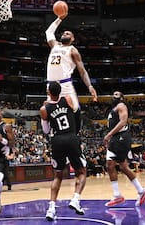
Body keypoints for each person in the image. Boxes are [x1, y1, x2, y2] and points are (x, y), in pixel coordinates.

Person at [40, 81, 87, 221]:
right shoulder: (67, 99)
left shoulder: (44, 109)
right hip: (71, 138)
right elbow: (76, 113)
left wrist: (47, 108)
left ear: (48, 92)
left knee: (58, 176)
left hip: (57, 140)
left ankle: (51, 208)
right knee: (82, 171)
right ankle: (75, 199)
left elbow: (46, 130)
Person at [45, 13, 98, 133]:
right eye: (64, 33)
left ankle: (75, 134)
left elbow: (82, 71)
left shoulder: (72, 50)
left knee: (75, 109)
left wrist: (90, 86)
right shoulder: (55, 45)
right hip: (51, 85)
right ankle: (55, 135)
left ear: (72, 39)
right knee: (51, 111)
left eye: (68, 33)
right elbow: (49, 32)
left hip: (65, 85)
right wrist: (59, 19)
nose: (64, 34)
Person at [103, 91, 145, 207]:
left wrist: (109, 134)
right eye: (113, 94)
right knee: (115, 166)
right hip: (116, 138)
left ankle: (137, 191)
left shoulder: (122, 106)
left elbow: (123, 122)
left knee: (118, 166)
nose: (114, 95)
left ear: (122, 97)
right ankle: (121, 194)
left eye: (117, 94)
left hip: (121, 138)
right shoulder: (113, 108)